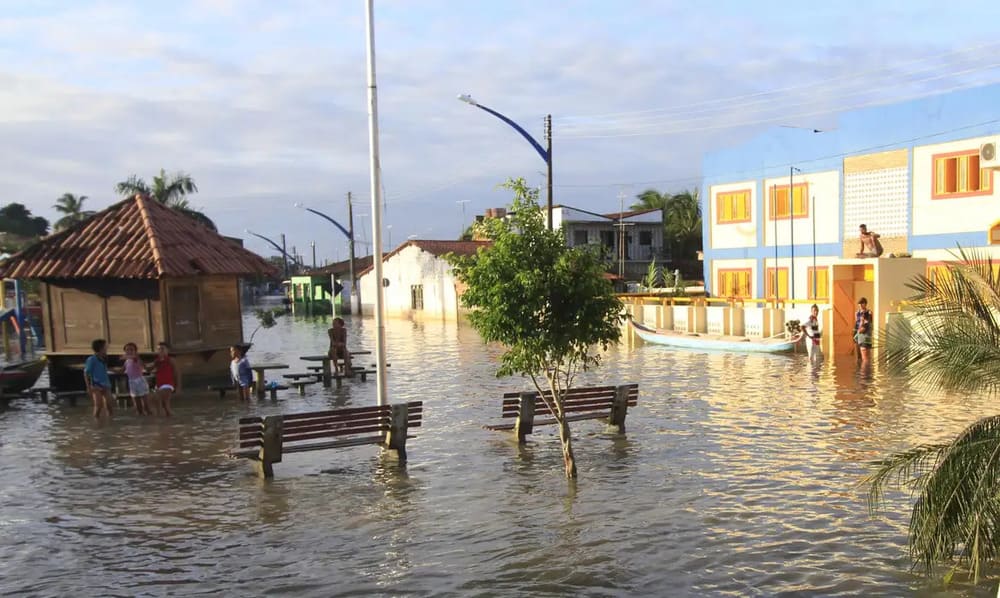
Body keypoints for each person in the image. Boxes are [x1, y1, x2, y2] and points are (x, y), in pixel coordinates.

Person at [84, 338, 114, 419]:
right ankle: (97, 422)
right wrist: (88, 387)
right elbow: (86, 373)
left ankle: (110, 421)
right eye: (105, 346)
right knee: (98, 406)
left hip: (106, 384)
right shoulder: (92, 359)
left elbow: (104, 369)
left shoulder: (104, 358)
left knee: (109, 405)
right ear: (101, 348)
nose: (107, 348)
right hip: (96, 385)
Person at [151, 342, 179, 416]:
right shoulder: (156, 361)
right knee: (165, 405)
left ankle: (159, 417)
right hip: (159, 384)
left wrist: (178, 386)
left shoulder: (171, 360)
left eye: (162, 349)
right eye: (158, 349)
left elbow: (176, 373)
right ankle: (169, 420)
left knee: (156, 398)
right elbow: (148, 369)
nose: (160, 351)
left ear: (167, 350)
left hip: (168, 384)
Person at [122, 342, 150, 415]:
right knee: (137, 405)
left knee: (145, 405)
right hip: (131, 382)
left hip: (140, 381)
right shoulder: (127, 362)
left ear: (135, 351)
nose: (129, 352)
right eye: (127, 350)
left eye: (131, 350)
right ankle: (141, 420)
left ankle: (150, 417)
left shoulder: (136, 359)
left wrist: (130, 357)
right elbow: (121, 370)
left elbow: (140, 362)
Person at [853, 297, 873, 364]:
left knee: (866, 353)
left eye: (862, 303)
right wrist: (854, 333)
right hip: (858, 333)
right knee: (859, 355)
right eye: (859, 303)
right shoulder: (857, 313)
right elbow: (856, 323)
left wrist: (864, 329)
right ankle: (859, 369)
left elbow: (869, 323)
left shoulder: (869, 312)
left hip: (866, 334)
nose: (861, 305)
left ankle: (866, 369)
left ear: (865, 304)